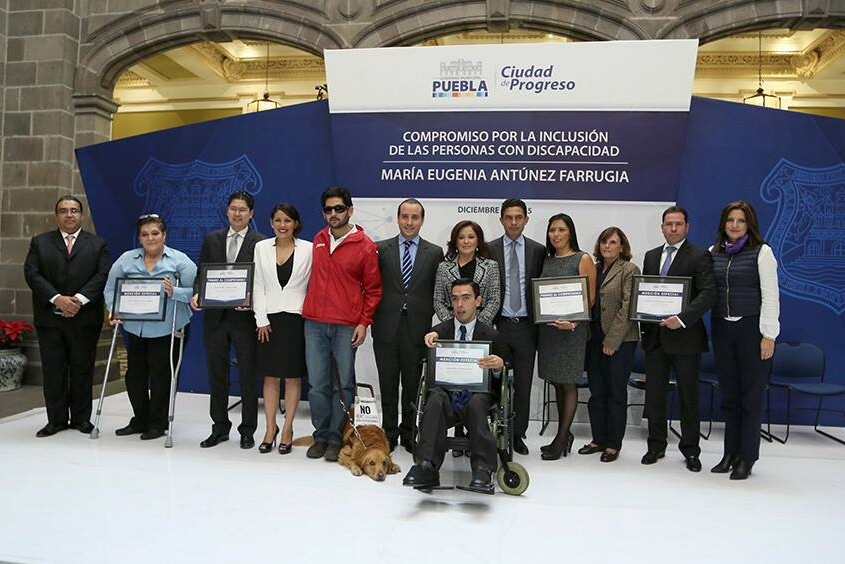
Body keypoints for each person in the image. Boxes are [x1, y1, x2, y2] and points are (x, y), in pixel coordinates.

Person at [402, 279, 508, 494]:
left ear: (478, 301)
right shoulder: (438, 332)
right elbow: (428, 359)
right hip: (446, 395)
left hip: (477, 395)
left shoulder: (492, 335)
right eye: (455, 299)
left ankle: (482, 469)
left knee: (477, 402)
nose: (460, 305)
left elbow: (499, 383)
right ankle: (426, 466)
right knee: (435, 398)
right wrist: (430, 341)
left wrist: (498, 367)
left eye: (466, 298)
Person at [302, 186, 382, 462]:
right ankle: (321, 435)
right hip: (314, 323)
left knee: (344, 385)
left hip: (346, 326)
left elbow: (374, 290)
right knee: (317, 385)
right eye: (328, 209)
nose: (333, 214)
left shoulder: (365, 246)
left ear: (350, 210)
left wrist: (364, 322)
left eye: (339, 208)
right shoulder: (318, 239)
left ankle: (336, 437)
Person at [24, 195, 111, 438]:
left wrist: (79, 300)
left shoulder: (98, 244)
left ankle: (82, 419)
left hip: (85, 319)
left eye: (74, 210)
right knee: (54, 371)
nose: (69, 214)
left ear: (82, 215)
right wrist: (57, 298)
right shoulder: (40, 242)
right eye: (64, 210)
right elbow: (32, 274)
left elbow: (102, 275)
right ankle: (56, 421)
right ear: (57, 216)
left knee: (82, 369)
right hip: (50, 319)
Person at [104, 215, 196, 440]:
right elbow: (110, 288)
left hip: (168, 328)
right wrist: (114, 309)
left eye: (155, 233)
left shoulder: (180, 261)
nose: (150, 238)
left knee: (162, 375)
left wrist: (175, 292)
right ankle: (140, 419)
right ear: (139, 238)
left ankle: (158, 423)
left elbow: (196, 292)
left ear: (164, 235)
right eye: (145, 234)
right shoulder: (127, 259)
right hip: (135, 327)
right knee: (134, 375)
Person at [640, 206, 715, 472]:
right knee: (655, 397)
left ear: (687, 227)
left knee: (688, 398)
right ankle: (655, 445)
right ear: (662, 227)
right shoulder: (650, 256)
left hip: (686, 337)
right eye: (668, 224)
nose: (673, 228)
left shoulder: (699, 255)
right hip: (655, 338)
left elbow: (708, 294)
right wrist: (644, 325)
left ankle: (691, 451)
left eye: (678, 224)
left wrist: (681, 318)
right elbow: (647, 293)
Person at [709, 201, 779, 480]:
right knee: (730, 397)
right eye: (730, 220)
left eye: (740, 220)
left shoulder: (762, 252)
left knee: (750, 397)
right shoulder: (713, 252)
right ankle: (730, 453)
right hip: (722, 329)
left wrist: (768, 335)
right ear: (723, 224)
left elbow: (771, 296)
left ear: (749, 224)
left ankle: (747, 457)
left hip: (752, 330)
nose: (735, 225)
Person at [191, 191, 266, 450]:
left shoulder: (261, 243)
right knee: (216, 375)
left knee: (248, 376)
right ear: (227, 211)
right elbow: (201, 272)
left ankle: (248, 430)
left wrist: (253, 300)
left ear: (251, 213)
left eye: (242, 209)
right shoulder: (212, 238)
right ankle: (220, 427)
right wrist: (197, 293)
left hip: (245, 318)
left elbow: (264, 280)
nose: (237, 213)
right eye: (233, 209)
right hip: (215, 318)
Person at [372, 198, 443, 452]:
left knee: (413, 385)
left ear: (422, 220)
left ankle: (410, 432)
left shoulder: (434, 252)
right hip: (386, 327)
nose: (409, 222)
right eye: (405, 216)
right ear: (398, 218)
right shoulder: (380, 249)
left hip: (417, 329)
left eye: (415, 217)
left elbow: (437, 291)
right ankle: (389, 433)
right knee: (388, 383)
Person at [252, 203, 312, 454]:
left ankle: (287, 429)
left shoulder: (309, 249)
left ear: (295, 223)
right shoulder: (261, 248)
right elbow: (257, 285)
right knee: (270, 375)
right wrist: (261, 319)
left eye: (287, 220)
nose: (282, 225)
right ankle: (270, 429)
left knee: (293, 375)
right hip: (268, 320)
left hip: (297, 318)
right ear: (271, 223)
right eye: (278, 220)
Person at [536, 213, 596, 460]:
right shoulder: (547, 260)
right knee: (557, 382)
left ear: (570, 232)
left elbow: (590, 298)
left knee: (569, 383)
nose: (556, 234)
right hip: (550, 331)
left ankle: (561, 439)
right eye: (552, 230)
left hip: (572, 332)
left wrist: (572, 323)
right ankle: (564, 434)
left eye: (561, 229)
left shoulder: (583, 259)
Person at [489, 198, 545, 456]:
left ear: (526, 219)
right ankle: (492, 432)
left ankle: (517, 434)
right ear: (501, 220)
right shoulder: (489, 249)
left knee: (523, 386)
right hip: (498, 326)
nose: (513, 222)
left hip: (526, 327)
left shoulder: (538, 250)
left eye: (518, 217)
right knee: (495, 383)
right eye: (509, 217)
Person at [581, 227, 640, 462]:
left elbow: (628, 307)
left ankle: (613, 444)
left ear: (622, 246)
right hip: (593, 338)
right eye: (604, 242)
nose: (607, 246)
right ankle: (598, 439)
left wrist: (612, 340)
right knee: (597, 392)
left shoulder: (629, 269)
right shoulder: (593, 268)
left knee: (616, 393)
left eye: (613, 242)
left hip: (620, 341)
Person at [433, 220, 501, 326]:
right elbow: (438, 301)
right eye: (461, 238)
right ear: (455, 241)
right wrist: (453, 325)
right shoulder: (443, 267)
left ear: (478, 240)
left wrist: (476, 325)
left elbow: (494, 300)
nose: (466, 241)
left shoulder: (491, 266)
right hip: (451, 328)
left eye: (471, 237)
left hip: (482, 328)